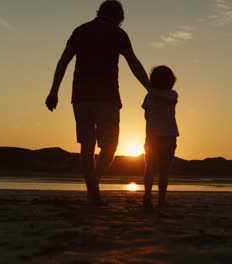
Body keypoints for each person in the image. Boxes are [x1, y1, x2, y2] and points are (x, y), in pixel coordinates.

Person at [45, 0, 150, 206]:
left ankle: (92, 194)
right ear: (119, 17)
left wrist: (53, 91)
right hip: (107, 98)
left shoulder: (80, 31)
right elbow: (133, 62)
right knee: (110, 145)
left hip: (81, 97)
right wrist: (150, 88)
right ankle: (94, 182)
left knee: (87, 145)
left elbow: (63, 61)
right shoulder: (118, 34)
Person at [142, 66, 179, 208]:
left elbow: (146, 114)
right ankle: (149, 196)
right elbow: (147, 114)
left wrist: (152, 91)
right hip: (160, 137)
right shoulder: (155, 95)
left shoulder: (171, 95)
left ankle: (158, 198)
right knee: (153, 169)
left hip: (164, 137)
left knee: (161, 170)